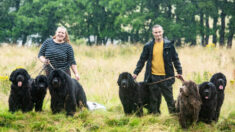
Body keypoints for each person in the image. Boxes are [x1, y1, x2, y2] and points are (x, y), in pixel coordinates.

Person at [133, 24, 182, 114]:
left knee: (170, 99)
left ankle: (173, 117)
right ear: (153, 33)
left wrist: (179, 72)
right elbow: (142, 60)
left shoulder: (169, 45)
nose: (158, 34)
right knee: (153, 100)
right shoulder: (148, 46)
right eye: (156, 32)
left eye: (159, 32)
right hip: (152, 78)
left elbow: (175, 59)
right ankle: (154, 117)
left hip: (166, 77)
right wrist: (136, 73)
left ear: (162, 32)